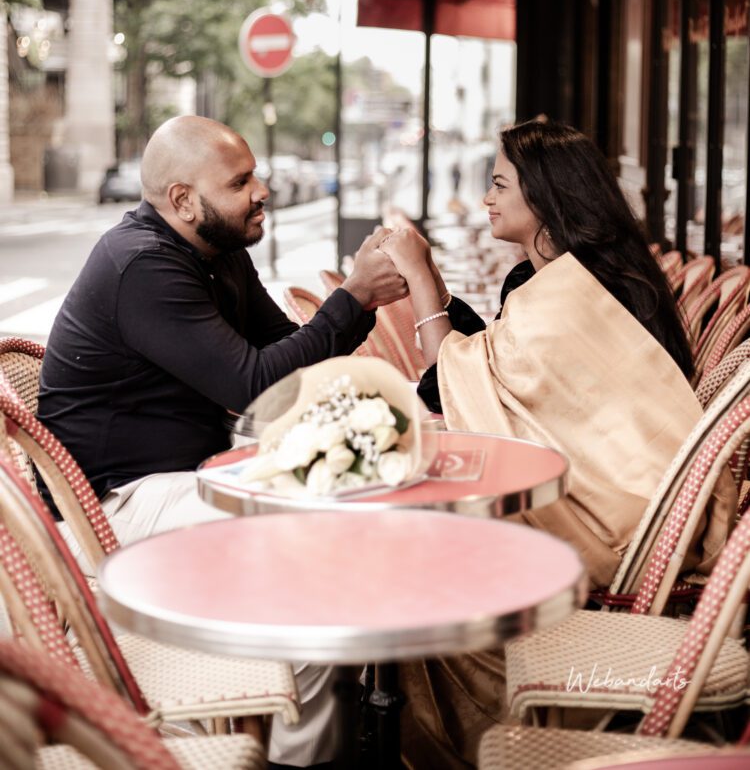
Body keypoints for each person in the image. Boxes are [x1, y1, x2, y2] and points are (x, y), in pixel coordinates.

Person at [38, 114, 406, 769]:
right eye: (241, 181)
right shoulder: (141, 266)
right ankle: (305, 757)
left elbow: (277, 356)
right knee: (320, 579)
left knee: (359, 508)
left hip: (192, 475)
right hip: (118, 501)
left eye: (256, 173)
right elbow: (251, 380)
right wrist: (352, 295)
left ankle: (316, 731)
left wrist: (359, 305)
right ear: (182, 200)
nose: (261, 189)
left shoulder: (218, 250)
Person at [379, 119, 736, 769]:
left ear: (545, 197)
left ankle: (440, 737)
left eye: (497, 184)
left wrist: (423, 282)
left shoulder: (588, 288)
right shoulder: (565, 276)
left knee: (424, 548)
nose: (484, 198)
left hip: (611, 519)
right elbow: (493, 364)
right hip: (621, 490)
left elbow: (449, 384)